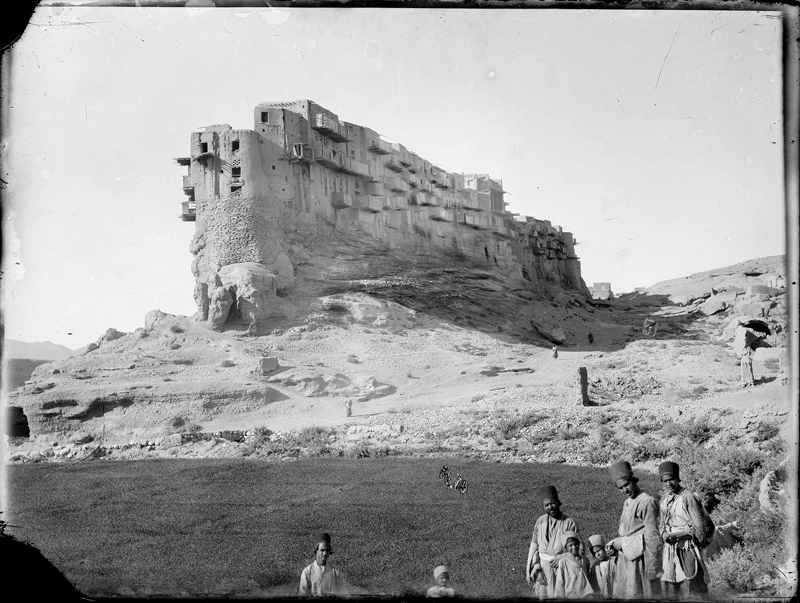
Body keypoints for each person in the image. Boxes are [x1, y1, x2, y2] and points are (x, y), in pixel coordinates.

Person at [606, 461, 662, 599]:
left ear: (634, 480)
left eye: (626, 485)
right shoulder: (628, 501)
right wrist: (616, 543)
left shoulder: (646, 501)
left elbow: (652, 535)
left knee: (641, 593)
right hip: (627, 556)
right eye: (620, 488)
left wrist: (654, 566)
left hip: (641, 559)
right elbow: (629, 531)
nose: (624, 490)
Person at [658, 461, 711, 599]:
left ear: (677, 478)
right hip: (670, 548)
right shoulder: (664, 500)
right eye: (665, 481)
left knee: (692, 581)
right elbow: (662, 524)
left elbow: (699, 526)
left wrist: (680, 534)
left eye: (671, 479)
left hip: (687, 547)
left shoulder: (688, 498)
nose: (668, 484)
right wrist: (664, 534)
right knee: (672, 584)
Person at [525, 485, 581, 599]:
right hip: (543, 570)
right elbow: (535, 547)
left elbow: (578, 548)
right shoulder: (540, 521)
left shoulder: (569, 522)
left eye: (552, 503)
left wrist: (562, 557)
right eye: (546, 505)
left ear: (558, 502)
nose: (550, 507)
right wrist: (537, 570)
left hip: (562, 568)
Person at [553, 531, 594, 598]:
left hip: (586, 595)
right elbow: (560, 582)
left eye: (576, 544)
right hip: (571, 595)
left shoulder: (585, 559)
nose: (574, 547)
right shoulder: (563, 562)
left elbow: (588, 576)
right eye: (570, 545)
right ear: (565, 547)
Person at [587, 534, 616, 598]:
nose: (597, 554)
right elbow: (593, 583)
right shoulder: (595, 567)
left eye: (598, 551)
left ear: (604, 548)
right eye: (595, 553)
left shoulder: (613, 562)